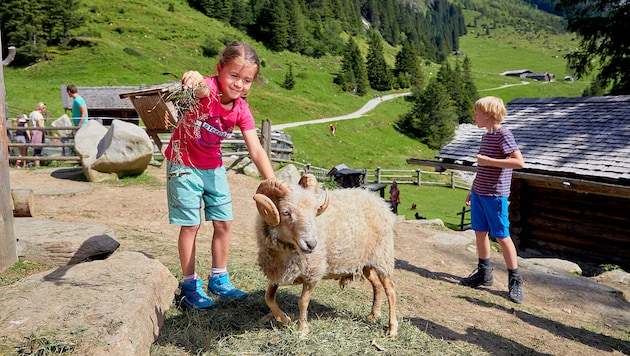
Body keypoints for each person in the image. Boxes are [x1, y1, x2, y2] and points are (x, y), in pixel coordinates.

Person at [163, 41, 276, 310]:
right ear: (219, 70)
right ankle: (190, 285)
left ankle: (219, 279)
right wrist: (194, 76)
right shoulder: (207, 91)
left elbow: (256, 149)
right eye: (234, 75)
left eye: (247, 80)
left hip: (213, 167)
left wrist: (272, 183)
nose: (239, 84)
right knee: (191, 225)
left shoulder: (241, 110)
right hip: (184, 164)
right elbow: (199, 85)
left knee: (224, 223)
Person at [460, 96, 525, 304]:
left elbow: (518, 162)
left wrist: (488, 161)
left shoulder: (503, 134)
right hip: (480, 193)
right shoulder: (486, 136)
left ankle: (515, 280)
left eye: (477, 113)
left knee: (502, 236)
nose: (474, 116)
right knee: (479, 233)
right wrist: (472, 188)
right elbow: (483, 168)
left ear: (488, 115)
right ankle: (484, 274)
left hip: (496, 195)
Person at [28, 102, 46, 167]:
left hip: (33, 131)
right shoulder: (38, 115)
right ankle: (37, 164)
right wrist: (45, 129)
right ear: (42, 108)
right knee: (38, 148)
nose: (45, 110)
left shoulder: (32, 113)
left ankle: (34, 162)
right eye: (45, 109)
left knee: (36, 148)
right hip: (38, 132)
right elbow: (40, 124)